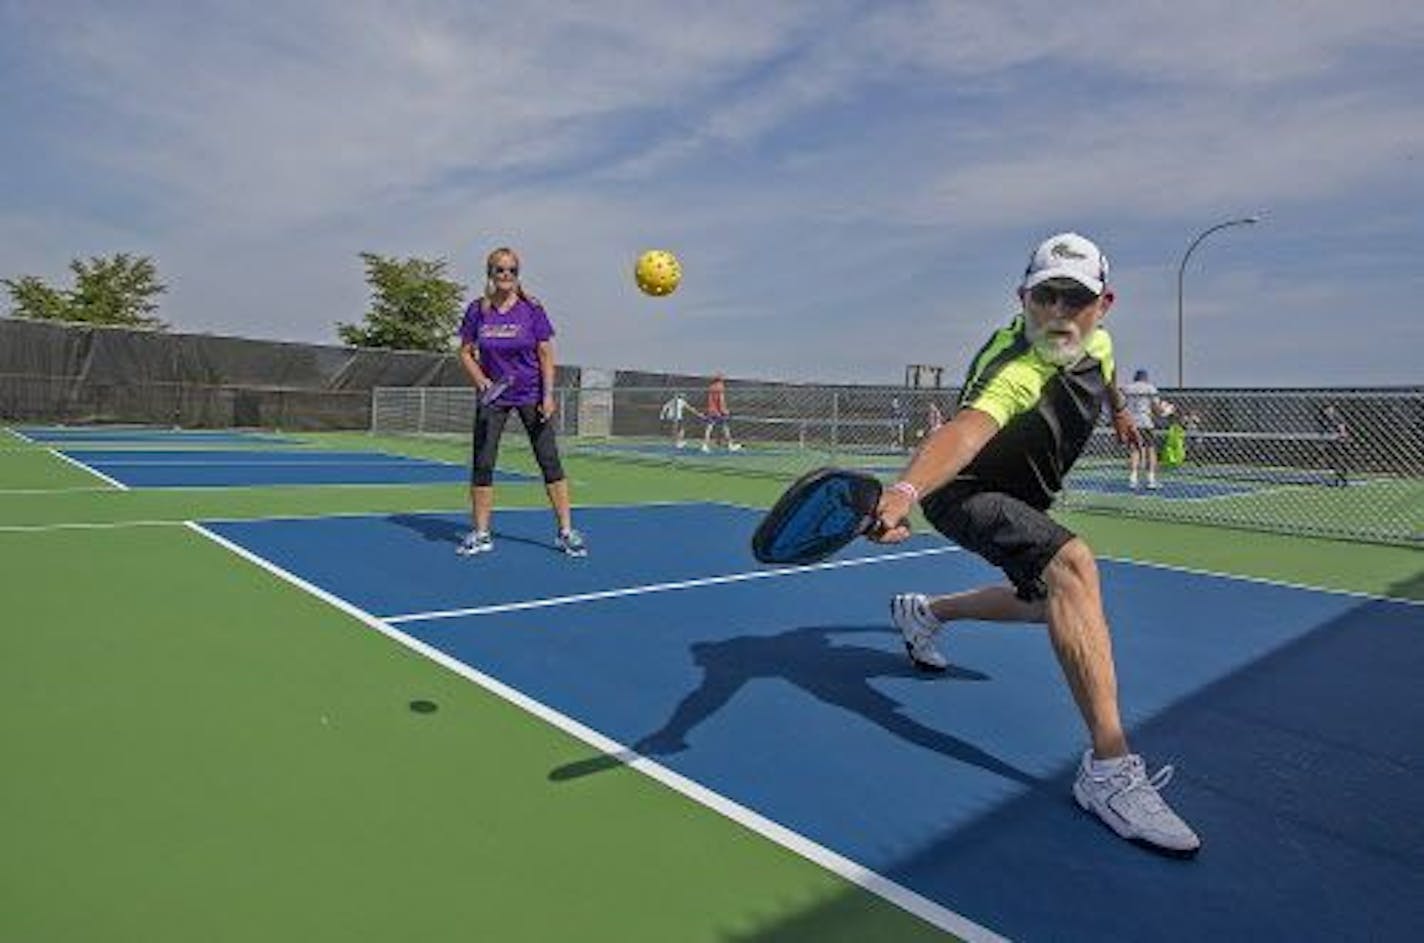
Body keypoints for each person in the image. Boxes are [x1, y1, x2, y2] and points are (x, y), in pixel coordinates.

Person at [871, 232, 1201, 856]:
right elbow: (967, 432)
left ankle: (925, 613)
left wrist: (1122, 414)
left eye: (1074, 298)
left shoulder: (1097, 344)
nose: (1057, 311)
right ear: (1023, 297)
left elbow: (1102, 371)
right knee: (1073, 567)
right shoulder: (1015, 368)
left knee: (1045, 605)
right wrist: (908, 490)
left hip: (1024, 499)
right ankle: (1108, 771)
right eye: (1045, 295)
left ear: (1103, 304)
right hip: (962, 489)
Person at [455, 246, 586, 557]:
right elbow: (464, 352)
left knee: (549, 461)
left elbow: (545, 353)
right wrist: (481, 381)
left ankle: (566, 531)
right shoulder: (478, 310)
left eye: (512, 270)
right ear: (490, 274)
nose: (506, 275)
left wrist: (548, 395)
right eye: (500, 270)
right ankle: (481, 533)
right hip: (494, 398)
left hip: (530, 394)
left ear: (518, 274)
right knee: (483, 464)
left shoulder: (532, 309)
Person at [1120, 368, 1170, 489]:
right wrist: (1166, 410)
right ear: (1146, 378)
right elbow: (1157, 408)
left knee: (1134, 450)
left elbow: (1121, 404)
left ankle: (1133, 479)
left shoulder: (1127, 388)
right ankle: (1150, 480)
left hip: (1132, 423)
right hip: (1145, 422)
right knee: (1151, 450)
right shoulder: (1149, 388)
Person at [701, 373, 741, 452]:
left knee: (709, 428)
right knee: (725, 428)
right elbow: (721, 400)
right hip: (718, 411)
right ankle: (730, 445)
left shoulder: (711, 387)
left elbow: (710, 400)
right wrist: (724, 411)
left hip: (711, 410)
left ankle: (705, 445)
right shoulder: (720, 387)